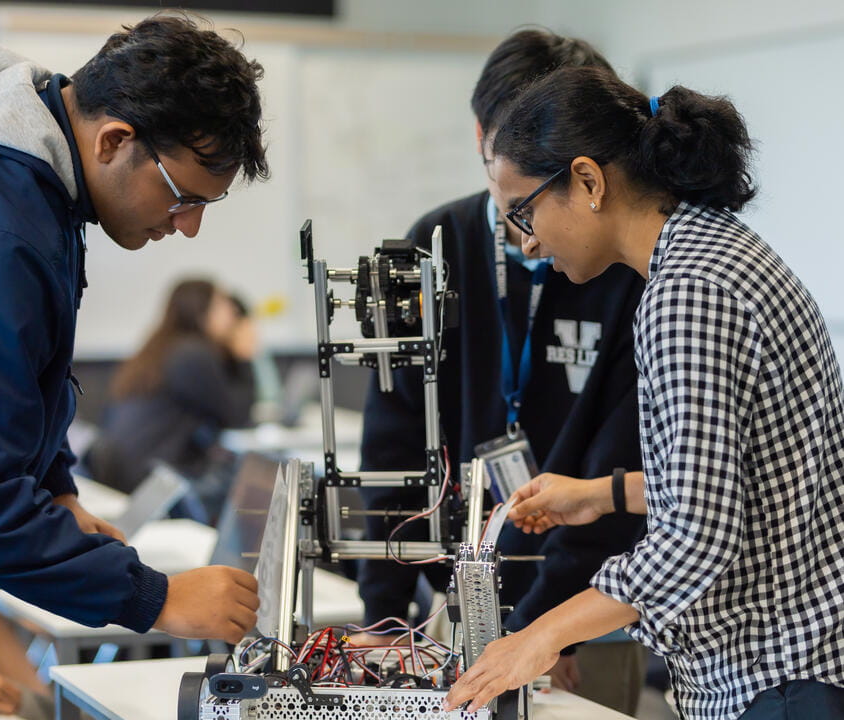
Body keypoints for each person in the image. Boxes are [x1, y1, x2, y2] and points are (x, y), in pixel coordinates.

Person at [443, 65, 844, 720]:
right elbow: (744, 482)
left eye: (524, 210)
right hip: (793, 668)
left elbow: (695, 539)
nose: (529, 242)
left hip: (777, 679)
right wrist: (601, 495)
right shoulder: (712, 251)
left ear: (588, 181)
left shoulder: (687, 293)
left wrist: (539, 635)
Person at [0, 15, 268, 720]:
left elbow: (12, 385)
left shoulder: (32, 177)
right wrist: (159, 599)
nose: (188, 227)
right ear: (115, 140)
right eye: (184, 199)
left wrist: (56, 486)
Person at [356, 30, 647, 714]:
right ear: (483, 135)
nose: (532, 235)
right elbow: (389, 440)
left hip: (590, 615)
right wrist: (383, 609)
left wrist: (548, 634)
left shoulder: (628, 269)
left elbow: (626, 462)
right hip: (444, 608)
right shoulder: (431, 246)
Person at [87, 278, 257, 521]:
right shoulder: (192, 354)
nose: (232, 313)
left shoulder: (166, 348)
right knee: (249, 490)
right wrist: (244, 357)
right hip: (157, 482)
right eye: (222, 305)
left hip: (135, 473)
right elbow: (236, 416)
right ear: (201, 312)